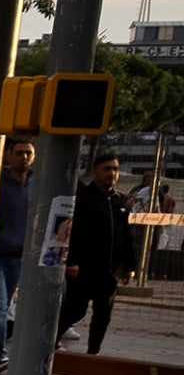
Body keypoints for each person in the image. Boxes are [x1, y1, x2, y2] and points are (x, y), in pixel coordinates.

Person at [57, 152, 133, 356]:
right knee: (75, 310)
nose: (112, 173)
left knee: (103, 314)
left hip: (108, 270)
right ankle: (50, 342)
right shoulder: (82, 199)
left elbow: (126, 235)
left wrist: (129, 265)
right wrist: (71, 261)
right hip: (83, 269)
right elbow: (72, 232)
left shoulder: (119, 201)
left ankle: (93, 353)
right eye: (107, 169)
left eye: (115, 169)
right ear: (95, 172)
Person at [0, 137, 35, 371]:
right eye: (19, 153)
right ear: (8, 155)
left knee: (1, 306)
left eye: (28, 153)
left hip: (18, 256)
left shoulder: (35, 185)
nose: (24, 158)